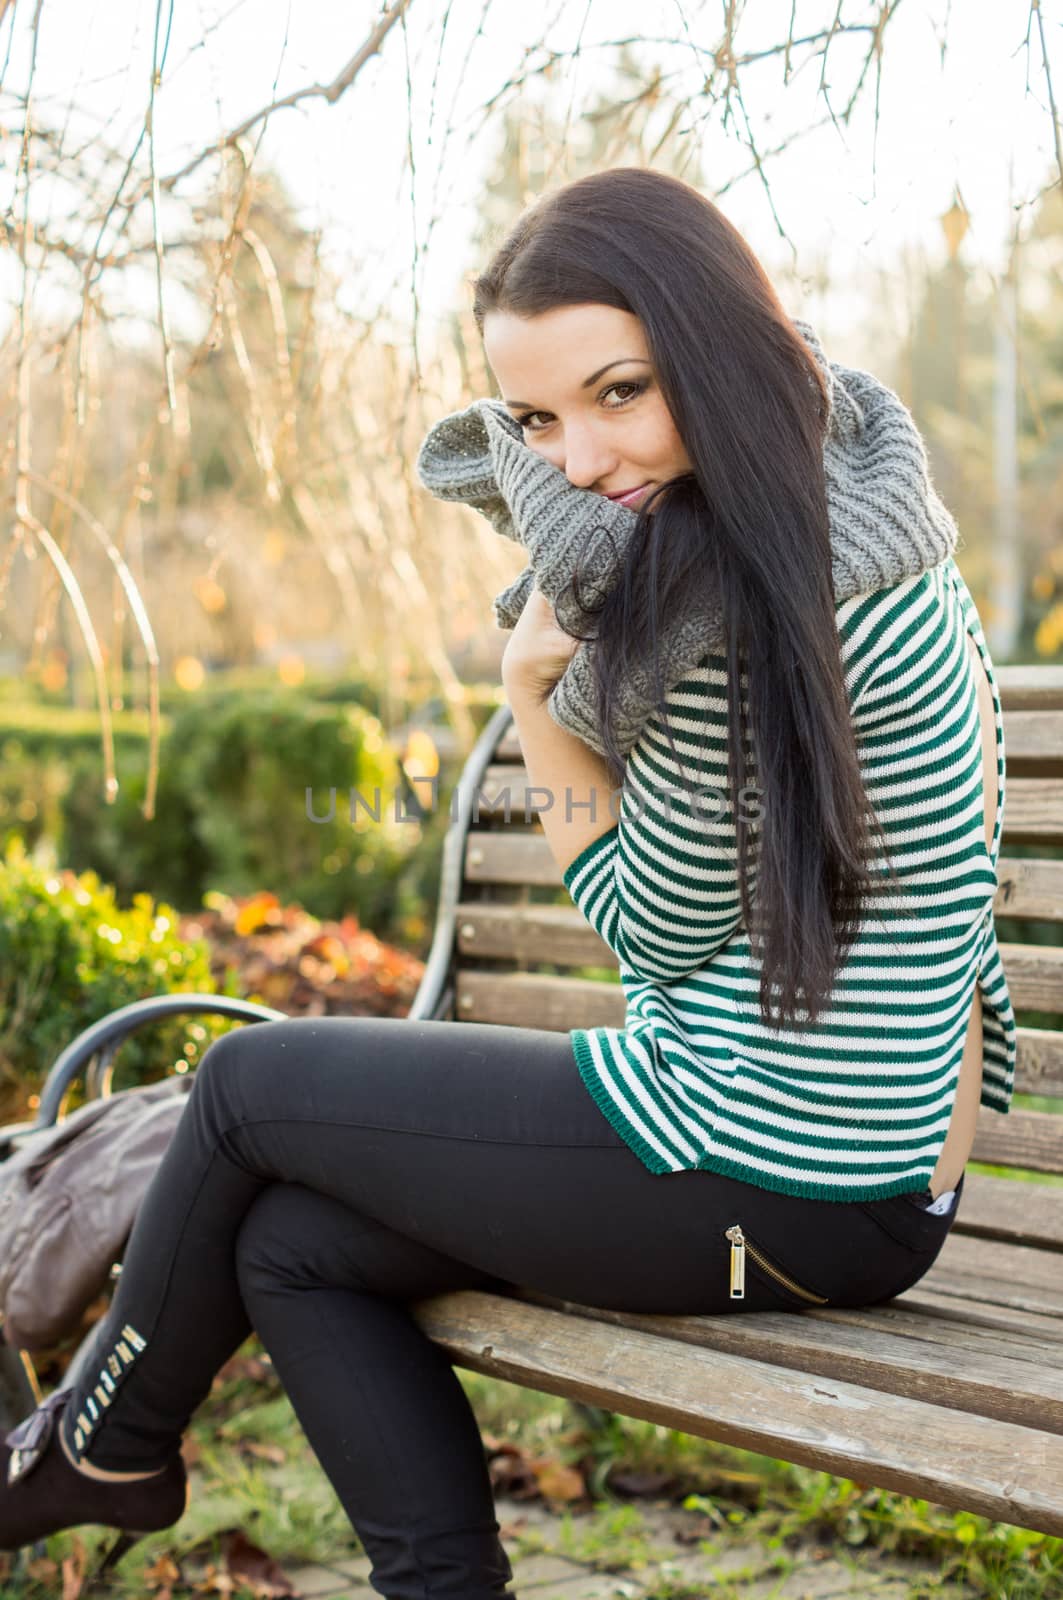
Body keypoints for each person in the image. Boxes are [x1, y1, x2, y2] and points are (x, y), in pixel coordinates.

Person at [0, 166, 1013, 1600]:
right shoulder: (860, 511)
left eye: (621, 392)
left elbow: (653, 933)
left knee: (243, 1089)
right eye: (538, 417)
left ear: (716, 350)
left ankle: (92, 1447)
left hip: (776, 1169)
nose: (580, 458)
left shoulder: (736, 599)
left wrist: (535, 689)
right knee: (293, 1243)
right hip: (849, 1173)